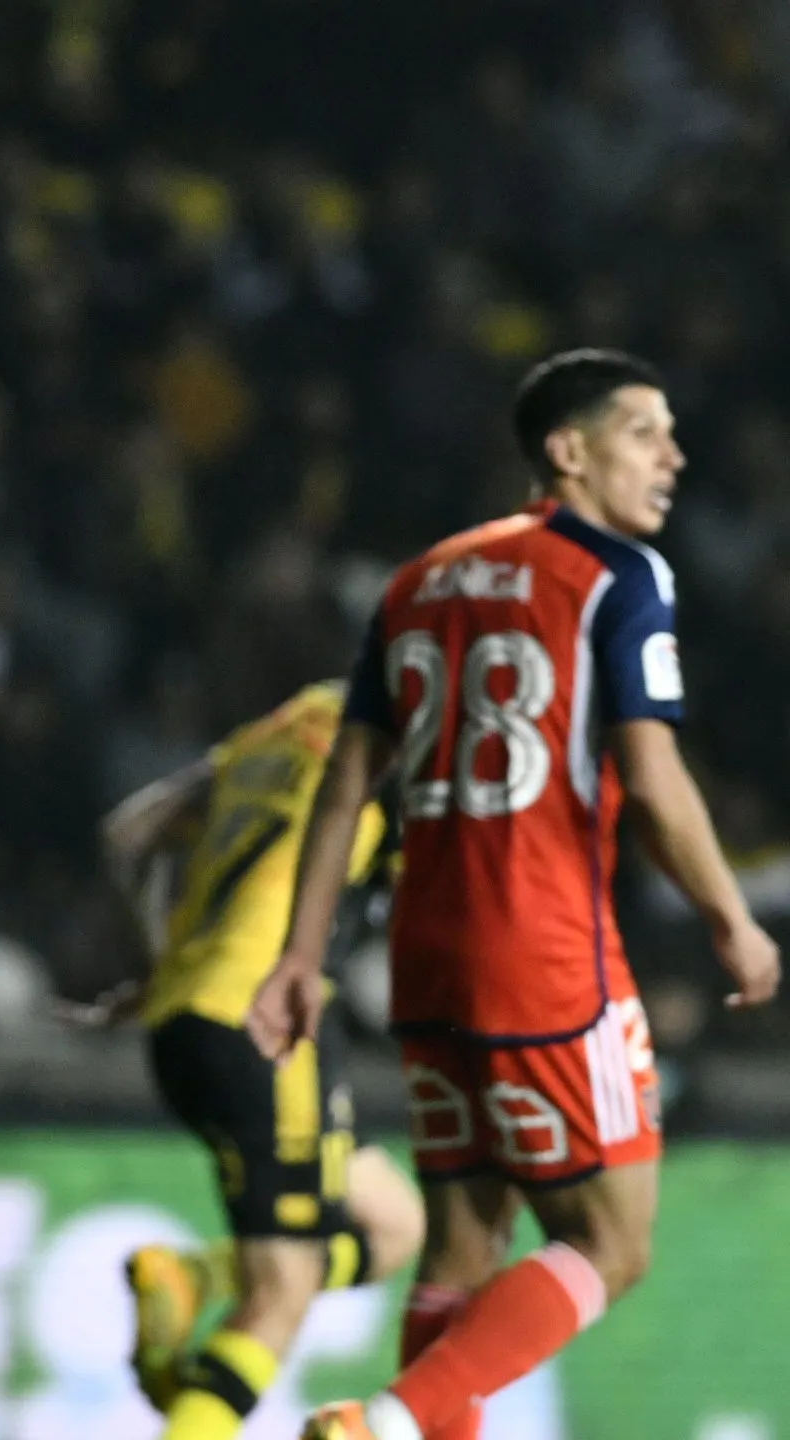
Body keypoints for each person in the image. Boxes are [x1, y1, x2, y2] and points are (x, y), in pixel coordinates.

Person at [246, 350, 780, 1440]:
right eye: (644, 431)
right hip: (543, 950)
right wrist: (732, 916)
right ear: (566, 452)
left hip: (424, 954)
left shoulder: (417, 580)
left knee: (460, 1241)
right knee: (611, 1246)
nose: (673, 456)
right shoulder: (621, 577)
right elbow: (654, 773)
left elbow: (346, 781)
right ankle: (385, 1427)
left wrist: (299, 956)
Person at [76, 681, 424, 1440]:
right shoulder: (404, 737)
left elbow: (128, 835)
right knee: (286, 1287)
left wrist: (155, 962)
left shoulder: (273, 730)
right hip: (268, 1021)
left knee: (393, 1222)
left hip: (183, 1020)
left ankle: (195, 1274)